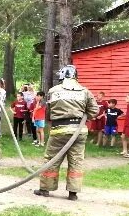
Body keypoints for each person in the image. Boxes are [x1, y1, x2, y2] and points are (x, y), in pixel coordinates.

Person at [34, 65, 98, 201]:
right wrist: (83, 115)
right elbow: (94, 111)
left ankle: (45, 189)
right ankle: (73, 193)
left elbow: (48, 112)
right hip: (79, 131)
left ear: (62, 76)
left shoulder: (53, 91)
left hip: (59, 130)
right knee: (76, 161)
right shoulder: (84, 91)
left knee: (52, 159)